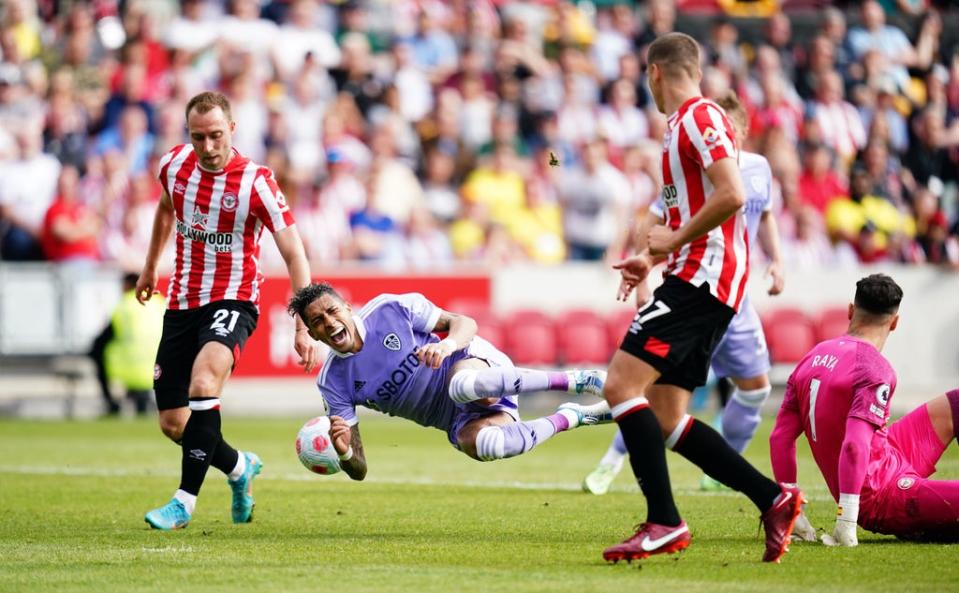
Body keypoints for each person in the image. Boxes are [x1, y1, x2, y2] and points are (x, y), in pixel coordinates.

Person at [599, 33, 802, 564]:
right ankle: (773, 497)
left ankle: (664, 521)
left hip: (703, 281)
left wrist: (673, 242)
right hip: (696, 277)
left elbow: (733, 194)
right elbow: (692, 217)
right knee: (667, 417)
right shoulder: (677, 130)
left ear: (655, 73)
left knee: (620, 384)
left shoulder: (699, 116)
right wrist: (652, 256)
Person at [582, 91, 786, 495]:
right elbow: (654, 222)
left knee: (752, 389)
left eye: (728, 129)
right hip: (697, 289)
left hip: (732, 297)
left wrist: (777, 260)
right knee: (647, 394)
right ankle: (615, 465)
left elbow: (762, 214)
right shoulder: (690, 173)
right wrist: (645, 267)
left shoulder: (759, 169)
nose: (719, 137)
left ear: (742, 130)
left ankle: (728, 477)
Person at [136, 91, 319, 530]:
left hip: (234, 299)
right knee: (174, 423)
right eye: (199, 137)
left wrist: (304, 323)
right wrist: (149, 269)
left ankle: (183, 503)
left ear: (232, 130)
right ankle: (239, 467)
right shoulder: (173, 166)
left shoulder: (256, 182)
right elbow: (165, 209)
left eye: (216, 135)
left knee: (204, 380)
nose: (209, 147)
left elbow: (294, 252)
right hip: (182, 301)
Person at [286, 283, 611, 477]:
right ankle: (574, 416)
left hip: (475, 368)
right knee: (487, 445)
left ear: (346, 306)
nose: (329, 323)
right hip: (458, 419)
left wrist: (446, 345)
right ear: (312, 333)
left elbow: (464, 322)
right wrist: (344, 453)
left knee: (462, 386)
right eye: (318, 321)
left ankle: (576, 380)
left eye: (332, 311)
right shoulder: (333, 383)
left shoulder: (390, 309)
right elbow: (359, 470)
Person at [770, 274, 959, 544]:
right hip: (881, 495)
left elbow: (780, 437)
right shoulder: (874, 367)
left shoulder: (811, 357)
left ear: (850, 311)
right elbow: (855, 445)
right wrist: (847, 518)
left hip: (888, 452)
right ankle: (922, 524)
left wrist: (790, 506)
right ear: (895, 323)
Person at [89, 272, 165, 416]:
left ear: (127, 285)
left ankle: (111, 404)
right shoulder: (160, 302)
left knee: (96, 352)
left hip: (129, 369)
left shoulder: (124, 306)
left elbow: (101, 341)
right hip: (160, 367)